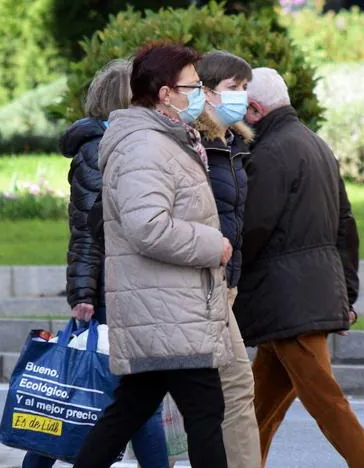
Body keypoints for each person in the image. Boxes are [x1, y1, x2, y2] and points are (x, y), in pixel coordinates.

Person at [73, 43, 232, 468]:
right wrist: (211, 244)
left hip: (165, 307)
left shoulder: (160, 138)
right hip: (167, 307)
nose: (199, 93)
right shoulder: (145, 145)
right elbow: (147, 226)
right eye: (192, 85)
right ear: (165, 92)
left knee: (128, 412)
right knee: (204, 414)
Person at [22, 59, 170, 468]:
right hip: (110, 288)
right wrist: (84, 293)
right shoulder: (97, 150)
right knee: (120, 394)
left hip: (127, 285)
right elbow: (87, 230)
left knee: (117, 394)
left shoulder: (128, 144)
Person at [236, 67, 364, 468]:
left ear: (253, 108)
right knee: (257, 410)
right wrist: (346, 292)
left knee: (326, 403)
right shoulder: (314, 144)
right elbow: (346, 226)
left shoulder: (269, 153)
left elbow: (253, 228)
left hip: (286, 302)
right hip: (302, 298)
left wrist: (227, 273)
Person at [194, 50, 261, 468]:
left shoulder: (233, 143)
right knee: (235, 386)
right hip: (201, 282)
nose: (242, 96)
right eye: (233, 88)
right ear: (205, 91)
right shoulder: (196, 142)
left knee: (226, 390)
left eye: (245, 87)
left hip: (225, 282)